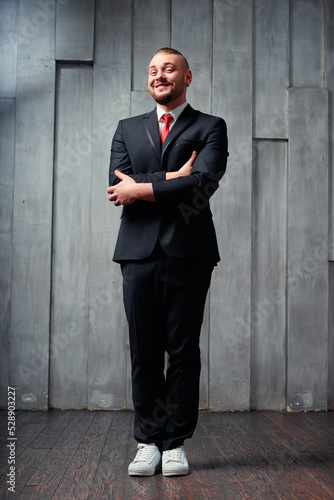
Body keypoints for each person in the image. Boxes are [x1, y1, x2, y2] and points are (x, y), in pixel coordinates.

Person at [107, 47, 228, 477]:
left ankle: (174, 442)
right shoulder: (127, 129)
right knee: (144, 350)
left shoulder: (211, 127)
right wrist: (170, 179)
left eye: (169, 69)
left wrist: (143, 188)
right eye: (154, 69)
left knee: (182, 351)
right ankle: (147, 441)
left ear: (187, 77)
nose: (160, 75)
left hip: (189, 253)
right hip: (137, 254)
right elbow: (114, 185)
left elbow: (204, 181)